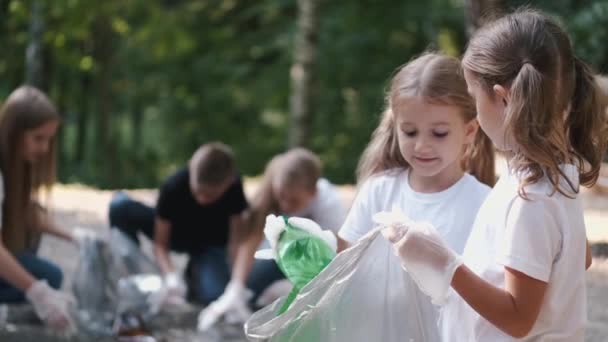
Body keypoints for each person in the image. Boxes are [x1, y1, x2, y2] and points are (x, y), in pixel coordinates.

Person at [384, 10, 605, 341]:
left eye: (474, 97)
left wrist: (445, 263)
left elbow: (518, 320)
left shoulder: (530, 200)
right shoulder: (557, 169)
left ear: (502, 98)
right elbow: (578, 258)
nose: (474, 108)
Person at [337, 52, 495, 339]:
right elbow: (343, 267)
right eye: (409, 132)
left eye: (439, 133)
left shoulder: (485, 203)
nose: (422, 146)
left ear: (470, 130)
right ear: (395, 125)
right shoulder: (379, 191)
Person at [197, 147, 347, 329]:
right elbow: (250, 241)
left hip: (315, 265)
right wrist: (236, 286)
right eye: (281, 197)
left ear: (313, 192)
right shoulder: (268, 194)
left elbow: (340, 253)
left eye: (293, 201)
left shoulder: (328, 203)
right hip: (277, 258)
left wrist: (319, 290)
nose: (285, 205)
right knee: (246, 290)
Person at [109, 142, 251, 313]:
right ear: (191, 170)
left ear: (229, 182)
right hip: (177, 235)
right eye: (198, 191)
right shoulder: (173, 185)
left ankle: (194, 275)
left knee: (214, 295)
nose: (202, 200)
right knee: (119, 207)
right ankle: (134, 276)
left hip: (211, 244)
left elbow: (236, 240)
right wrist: (170, 276)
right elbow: (160, 244)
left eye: (210, 195)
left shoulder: (235, 187)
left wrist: (235, 283)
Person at [0, 86, 80, 335]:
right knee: (45, 279)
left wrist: (75, 238)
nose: (45, 148)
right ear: (14, 134)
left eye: (49, 139)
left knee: (49, 276)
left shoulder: (13, 166)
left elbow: (25, 213)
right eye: (38, 138)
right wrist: (38, 291)